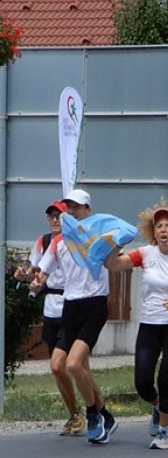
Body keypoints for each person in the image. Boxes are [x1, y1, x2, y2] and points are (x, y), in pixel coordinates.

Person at [104, 204, 168, 450]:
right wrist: (118, 243)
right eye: (159, 226)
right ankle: (158, 407)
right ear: (154, 232)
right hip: (150, 326)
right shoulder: (145, 254)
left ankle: (164, 432)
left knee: (165, 380)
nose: (163, 230)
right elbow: (112, 265)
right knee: (142, 382)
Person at [33, 189, 118, 444]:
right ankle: (105, 414)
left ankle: (92, 414)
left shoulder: (100, 236)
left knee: (73, 364)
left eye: (77, 208)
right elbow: (43, 272)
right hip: (70, 306)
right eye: (68, 208)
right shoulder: (59, 242)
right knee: (59, 363)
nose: (71, 212)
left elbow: (115, 258)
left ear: (88, 211)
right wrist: (37, 281)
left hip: (94, 306)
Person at [16, 200, 84, 436]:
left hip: (74, 307)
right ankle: (76, 413)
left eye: (59, 215)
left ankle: (95, 411)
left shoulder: (75, 241)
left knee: (69, 364)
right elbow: (32, 272)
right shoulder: (43, 242)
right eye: (51, 216)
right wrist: (24, 274)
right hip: (51, 309)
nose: (55, 220)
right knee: (59, 368)